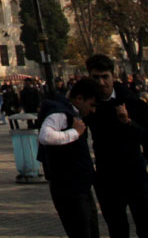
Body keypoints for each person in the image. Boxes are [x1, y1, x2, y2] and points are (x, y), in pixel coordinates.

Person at [85, 54, 148, 238]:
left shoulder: (132, 102)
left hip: (134, 173)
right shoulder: (89, 104)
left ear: (113, 76)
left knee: (147, 227)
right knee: (117, 229)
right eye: (96, 78)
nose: (101, 83)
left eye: (105, 77)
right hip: (107, 176)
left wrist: (128, 122)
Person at [38, 78, 102, 238]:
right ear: (79, 99)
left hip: (80, 184)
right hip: (69, 187)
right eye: (91, 104)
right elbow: (46, 136)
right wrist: (74, 133)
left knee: (92, 230)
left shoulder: (71, 112)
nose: (92, 110)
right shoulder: (61, 113)